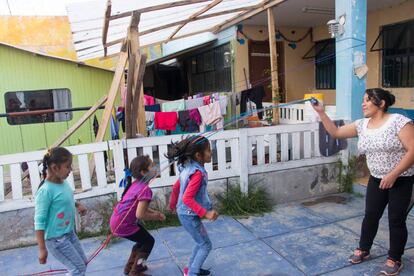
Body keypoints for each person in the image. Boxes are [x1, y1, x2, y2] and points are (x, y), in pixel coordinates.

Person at [312, 88, 414, 276]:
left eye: (368, 100)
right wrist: (321, 112)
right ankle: (364, 249)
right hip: (377, 179)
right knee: (371, 216)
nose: (363, 103)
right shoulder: (362, 125)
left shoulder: (398, 122)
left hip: (401, 179)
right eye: (363, 100)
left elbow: (413, 151)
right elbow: (335, 132)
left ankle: (394, 258)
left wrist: (393, 174)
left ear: (381, 103)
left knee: (396, 220)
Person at [168, 135, 219, 276]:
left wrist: (172, 205)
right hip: (189, 215)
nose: (211, 152)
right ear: (198, 155)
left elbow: (175, 188)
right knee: (206, 245)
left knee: (200, 242)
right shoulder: (196, 174)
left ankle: (191, 268)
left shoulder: (187, 167)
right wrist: (206, 213)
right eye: (209, 150)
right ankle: (192, 273)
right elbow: (187, 198)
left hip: (185, 214)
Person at [34, 147, 88, 276]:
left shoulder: (63, 183)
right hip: (56, 239)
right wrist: (42, 249)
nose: (70, 170)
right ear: (54, 167)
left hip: (69, 234)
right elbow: (39, 221)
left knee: (82, 264)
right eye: (68, 167)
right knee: (78, 269)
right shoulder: (45, 190)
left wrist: (77, 204)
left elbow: (63, 199)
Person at [110, 155, 166, 276]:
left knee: (142, 241)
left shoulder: (136, 184)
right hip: (124, 224)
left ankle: (130, 267)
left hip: (117, 221)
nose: (155, 167)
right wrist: (155, 216)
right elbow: (140, 214)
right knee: (148, 241)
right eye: (152, 165)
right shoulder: (145, 190)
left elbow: (141, 208)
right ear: (143, 172)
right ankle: (136, 271)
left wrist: (155, 213)